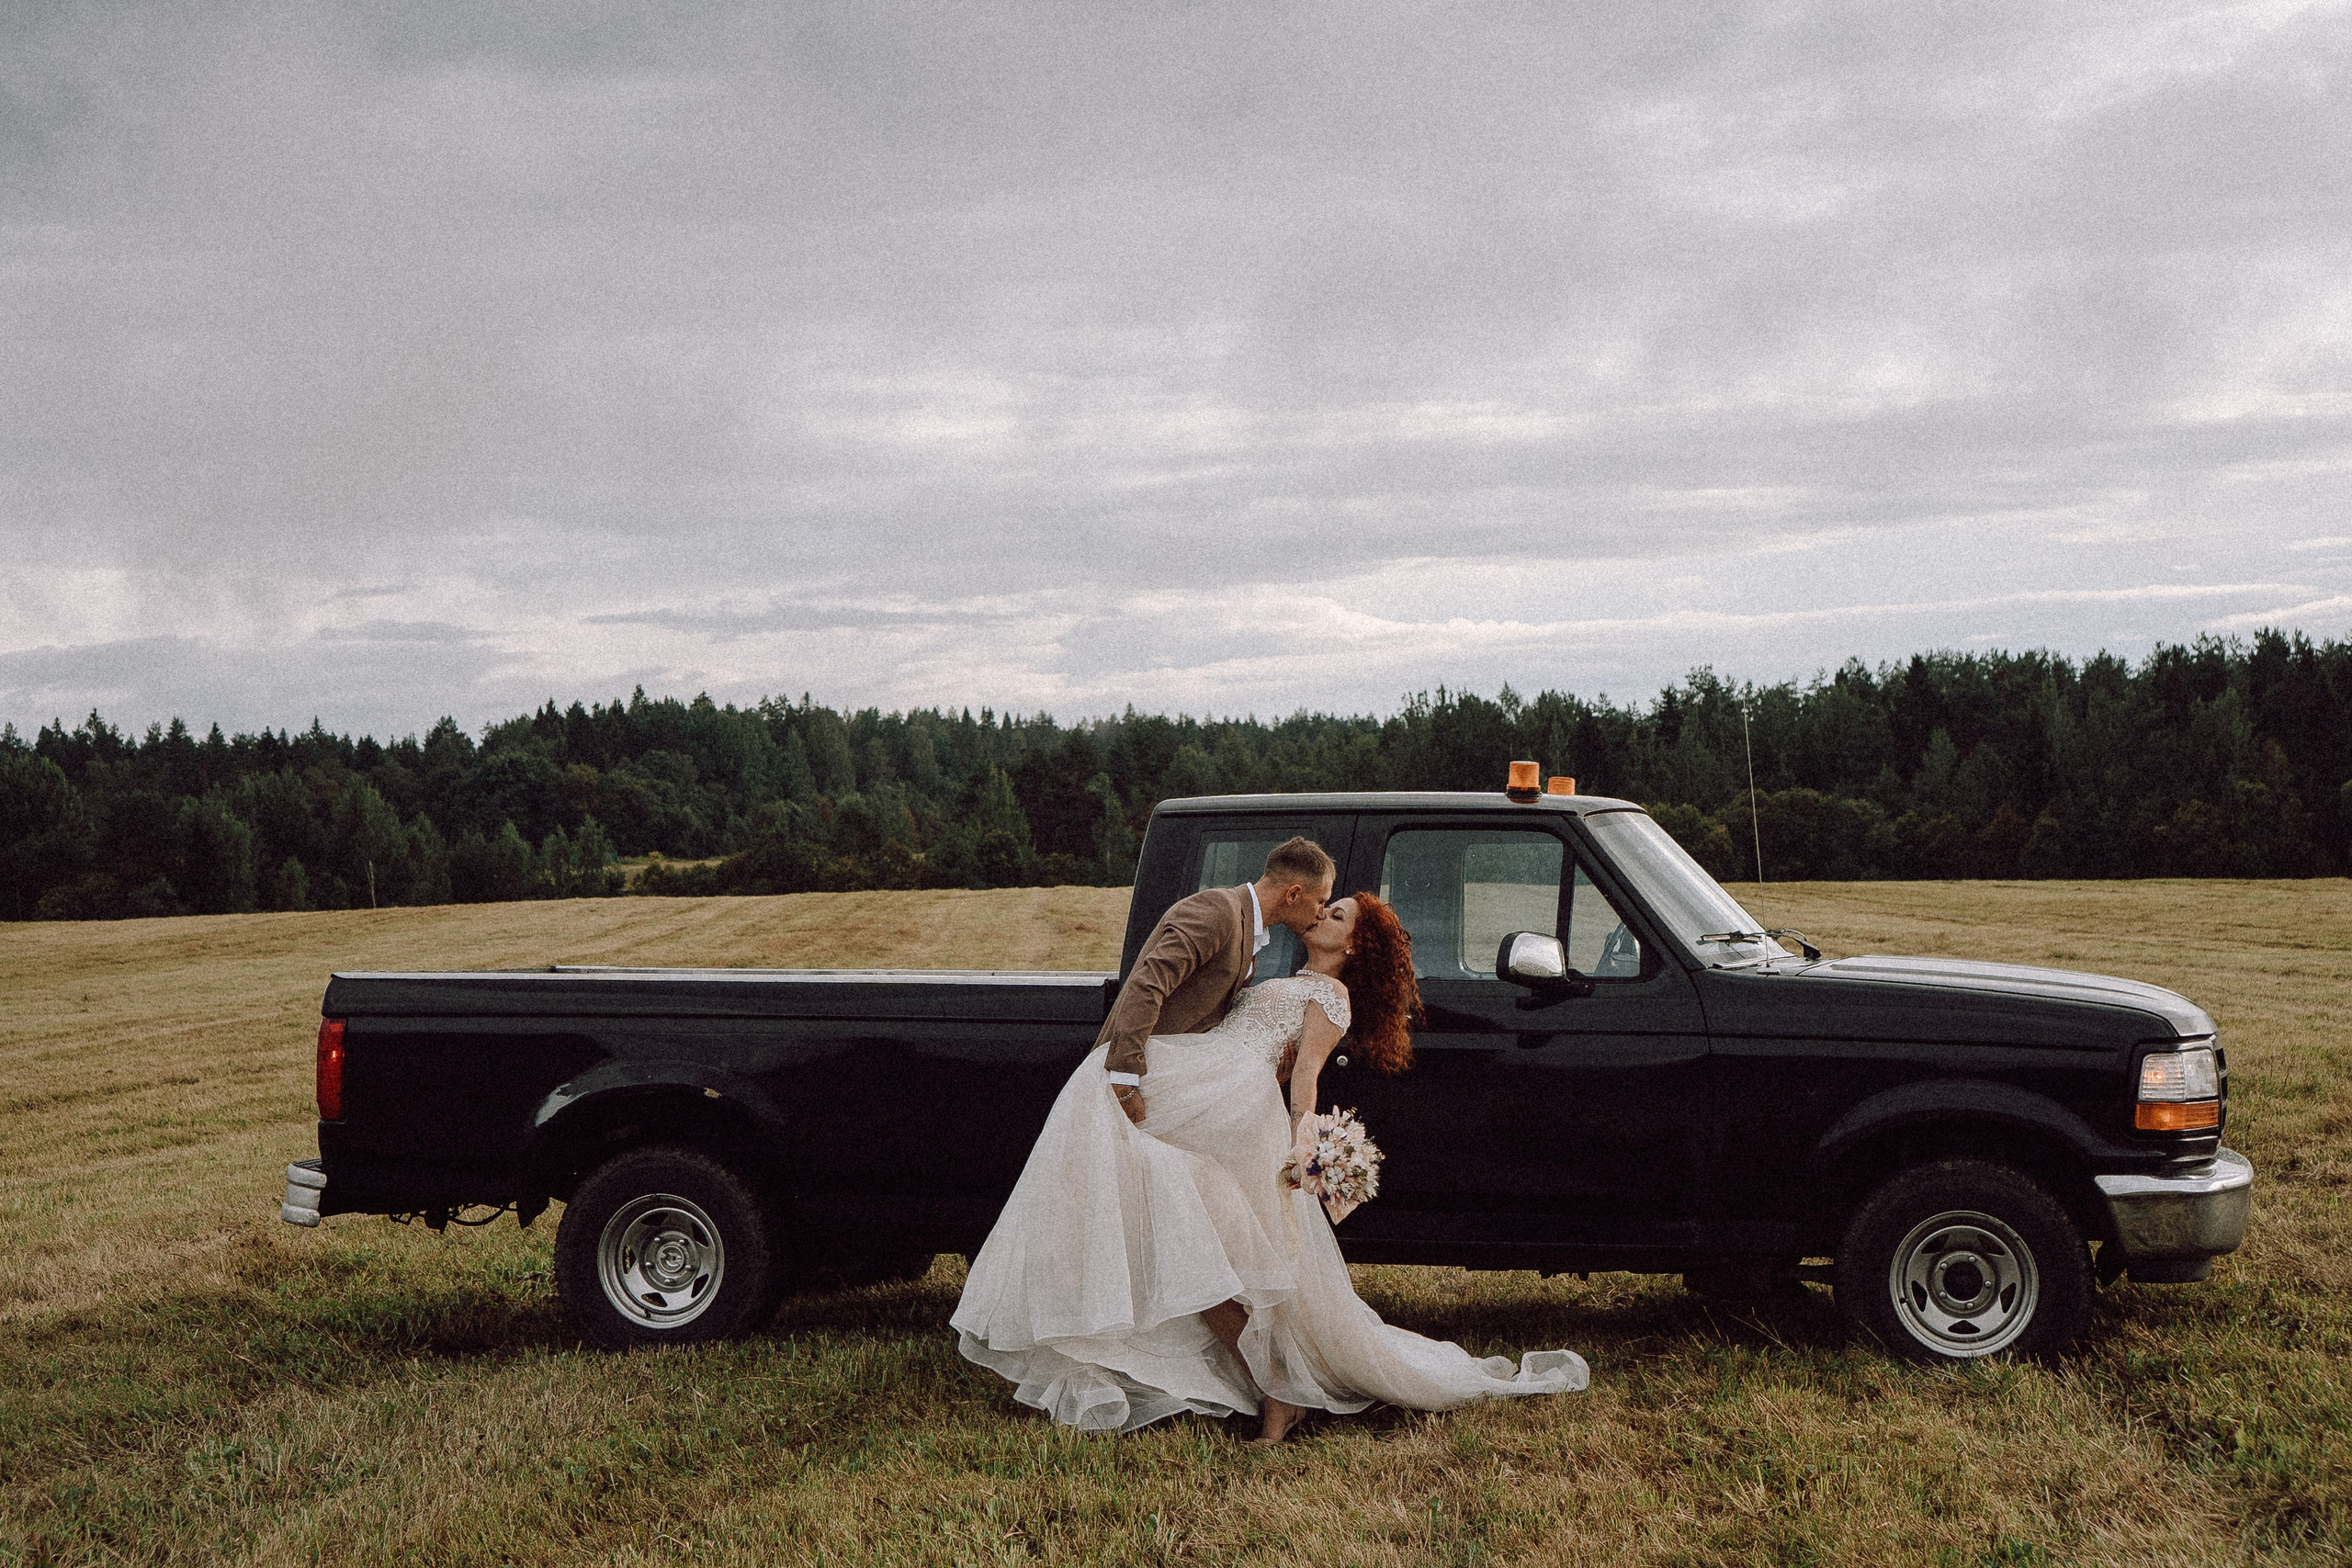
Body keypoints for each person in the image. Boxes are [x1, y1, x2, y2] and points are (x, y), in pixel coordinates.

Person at [953, 883, 1589, 1439]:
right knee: (1178, 1223)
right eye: (1326, 908)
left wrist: (1301, 1154)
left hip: (1233, 1104)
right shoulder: (1286, 976)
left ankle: (1277, 1389)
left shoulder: (1332, 997)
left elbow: (1305, 1078)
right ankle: (1265, 1382)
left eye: (1335, 916)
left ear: (1356, 946)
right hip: (1206, 1078)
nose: (1320, 918)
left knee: (1162, 1187)